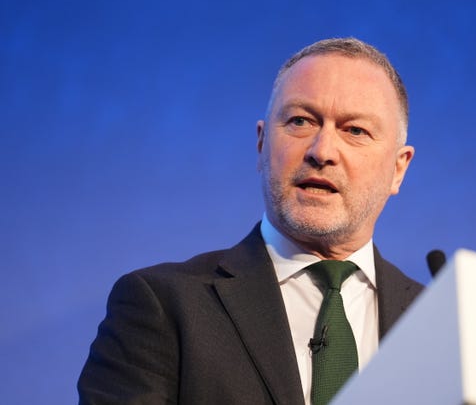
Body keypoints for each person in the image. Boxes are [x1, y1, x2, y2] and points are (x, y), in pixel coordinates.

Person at [78, 37, 424, 405]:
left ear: (398, 169)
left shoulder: (442, 323)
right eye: (300, 121)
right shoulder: (162, 305)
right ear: (261, 143)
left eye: (354, 130)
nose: (322, 151)